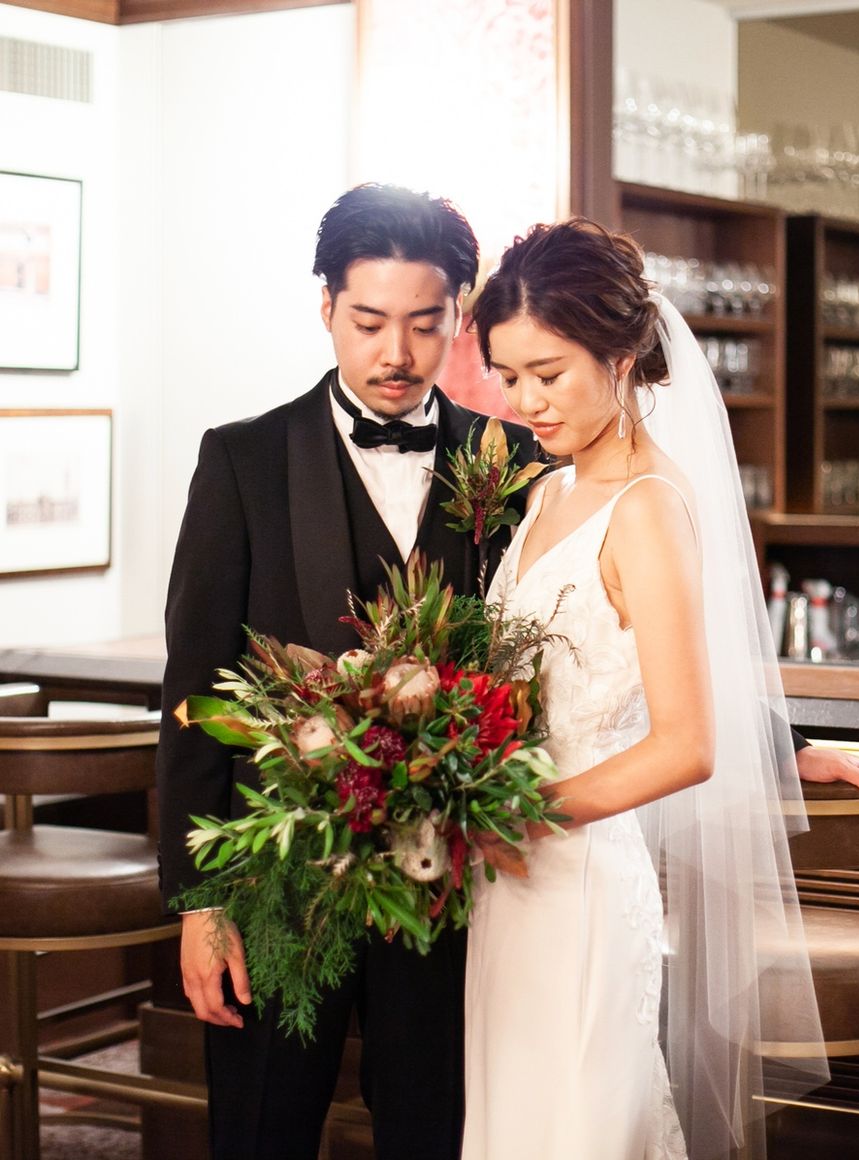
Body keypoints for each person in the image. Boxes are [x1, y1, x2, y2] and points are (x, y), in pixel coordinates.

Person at [464, 219, 859, 1160]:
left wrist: (519, 813)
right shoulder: (546, 493)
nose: (526, 401)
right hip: (509, 884)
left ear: (620, 359)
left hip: (574, 874)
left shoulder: (647, 508)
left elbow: (687, 744)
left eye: (549, 373)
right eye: (508, 376)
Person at [155, 184, 533, 1160]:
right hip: (280, 879)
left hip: (453, 886)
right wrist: (200, 902)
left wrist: (781, 745)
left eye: (425, 323)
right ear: (325, 305)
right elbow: (194, 691)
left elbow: (600, 627)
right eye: (368, 322)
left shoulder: (511, 457)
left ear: (459, 314)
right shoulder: (241, 460)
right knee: (262, 1130)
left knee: (435, 1130)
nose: (396, 353)